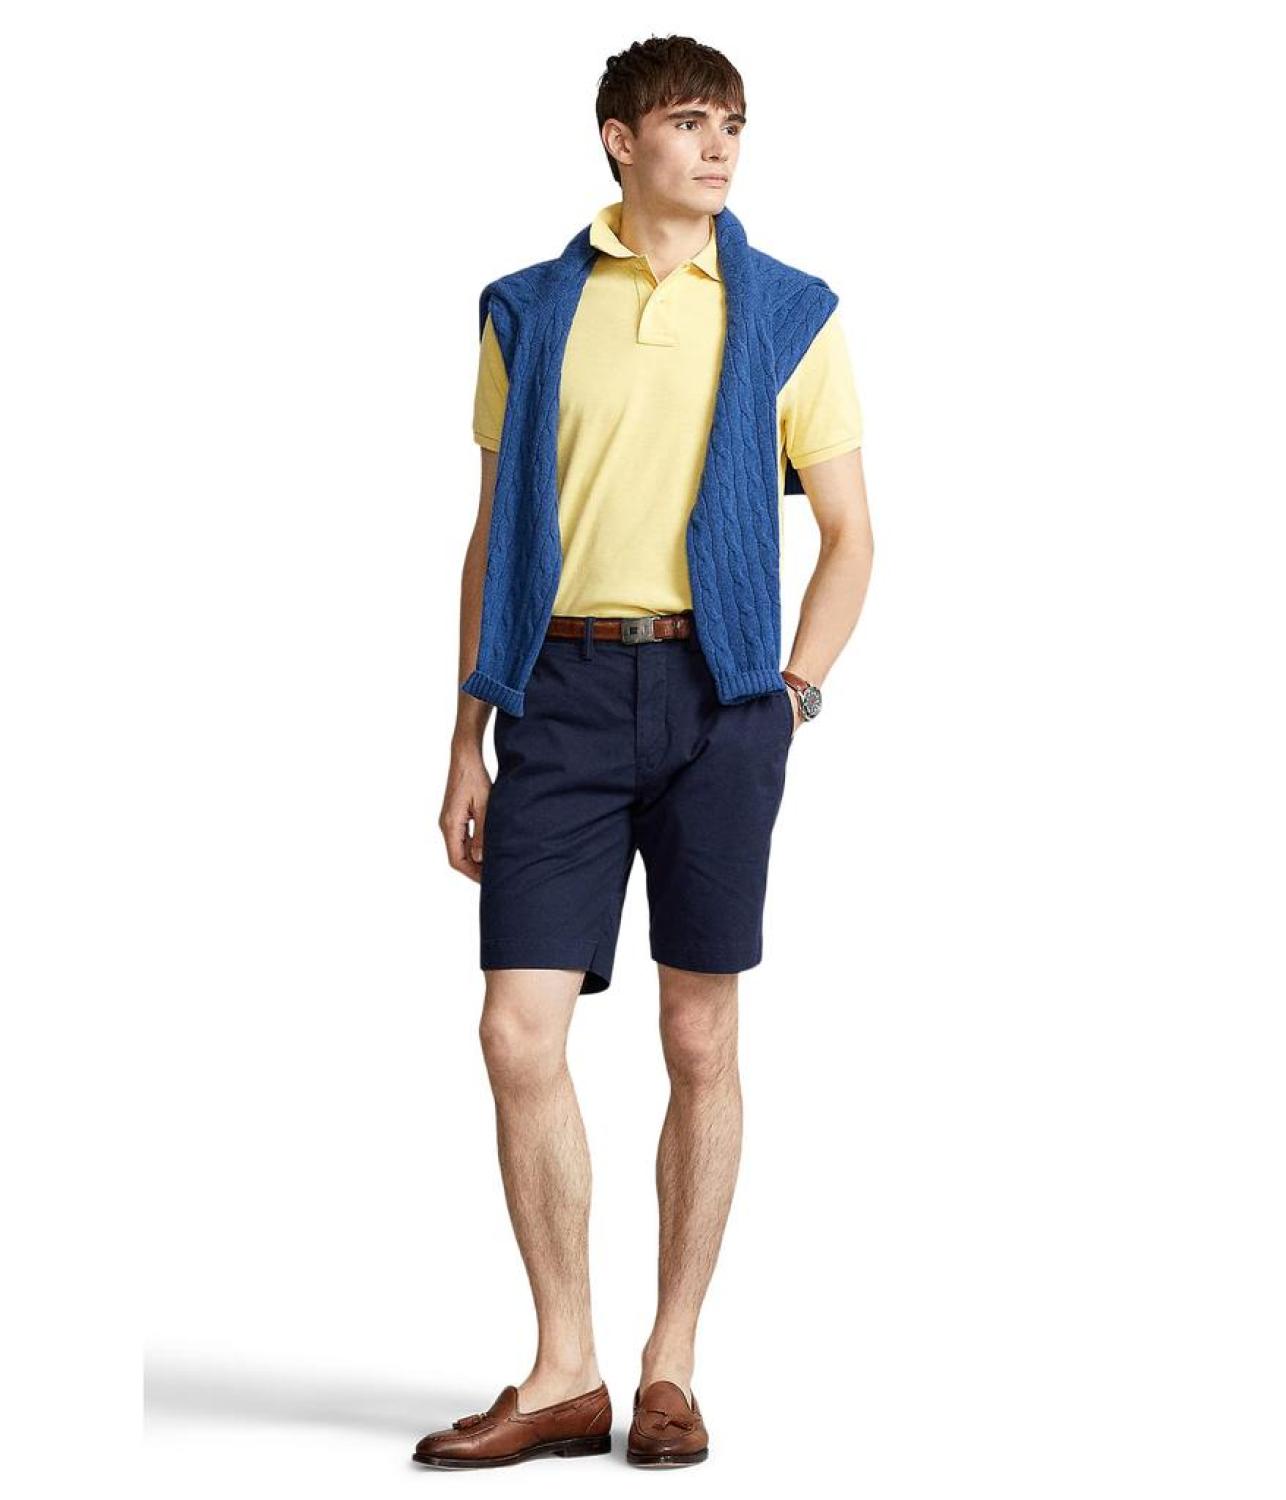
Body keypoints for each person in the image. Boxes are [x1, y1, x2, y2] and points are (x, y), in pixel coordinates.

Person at [424, 34, 873, 1469]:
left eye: (733, 120)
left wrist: (790, 695)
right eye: (690, 120)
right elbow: (493, 536)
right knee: (516, 1031)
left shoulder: (789, 311)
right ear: (621, 139)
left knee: (699, 1034)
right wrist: (466, 734)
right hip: (555, 692)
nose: (720, 143)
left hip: (718, 699)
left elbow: (852, 535)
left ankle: (669, 1365)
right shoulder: (526, 308)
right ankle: (563, 1370)